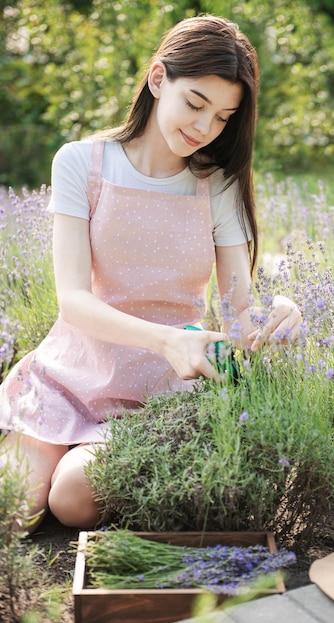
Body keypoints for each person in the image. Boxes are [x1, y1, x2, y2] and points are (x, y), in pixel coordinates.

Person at [0, 15, 302, 531]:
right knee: (15, 508)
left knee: (71, 500)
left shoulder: (218, 185)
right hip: (71, 372)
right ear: (159, 79)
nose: (205, 128)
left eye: (223, 117)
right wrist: (166, 339)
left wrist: (283, 312)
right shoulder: (81, 163)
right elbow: (72, 299)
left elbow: (237, 318)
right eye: (195, 104)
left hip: (158, 394)